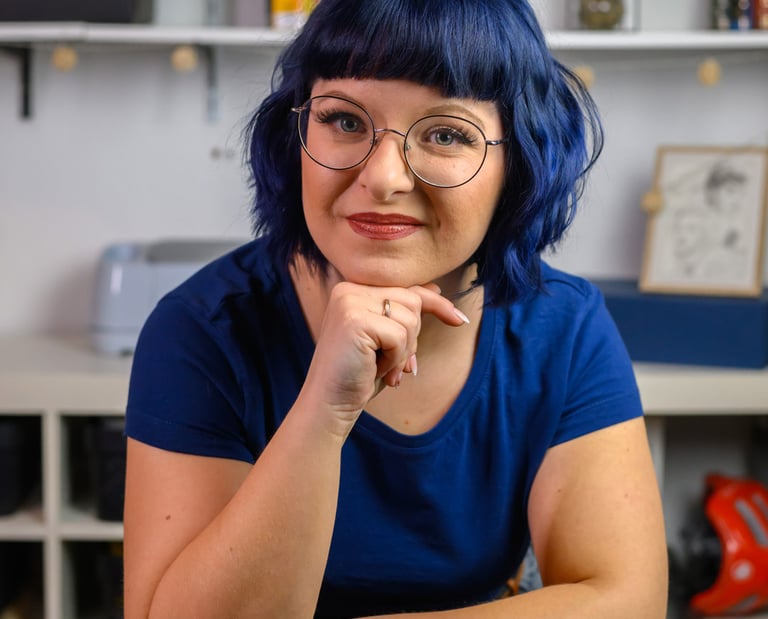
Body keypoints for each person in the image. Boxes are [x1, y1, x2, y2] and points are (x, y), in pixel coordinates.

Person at [122, 1, 668, 617]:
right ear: (294, 135)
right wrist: (324, 413)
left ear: (518, 163)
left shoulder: (564, 328)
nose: (383, 178)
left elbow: (628, 600)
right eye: (345, 121)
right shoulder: (202, 330)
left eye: (446, 133)